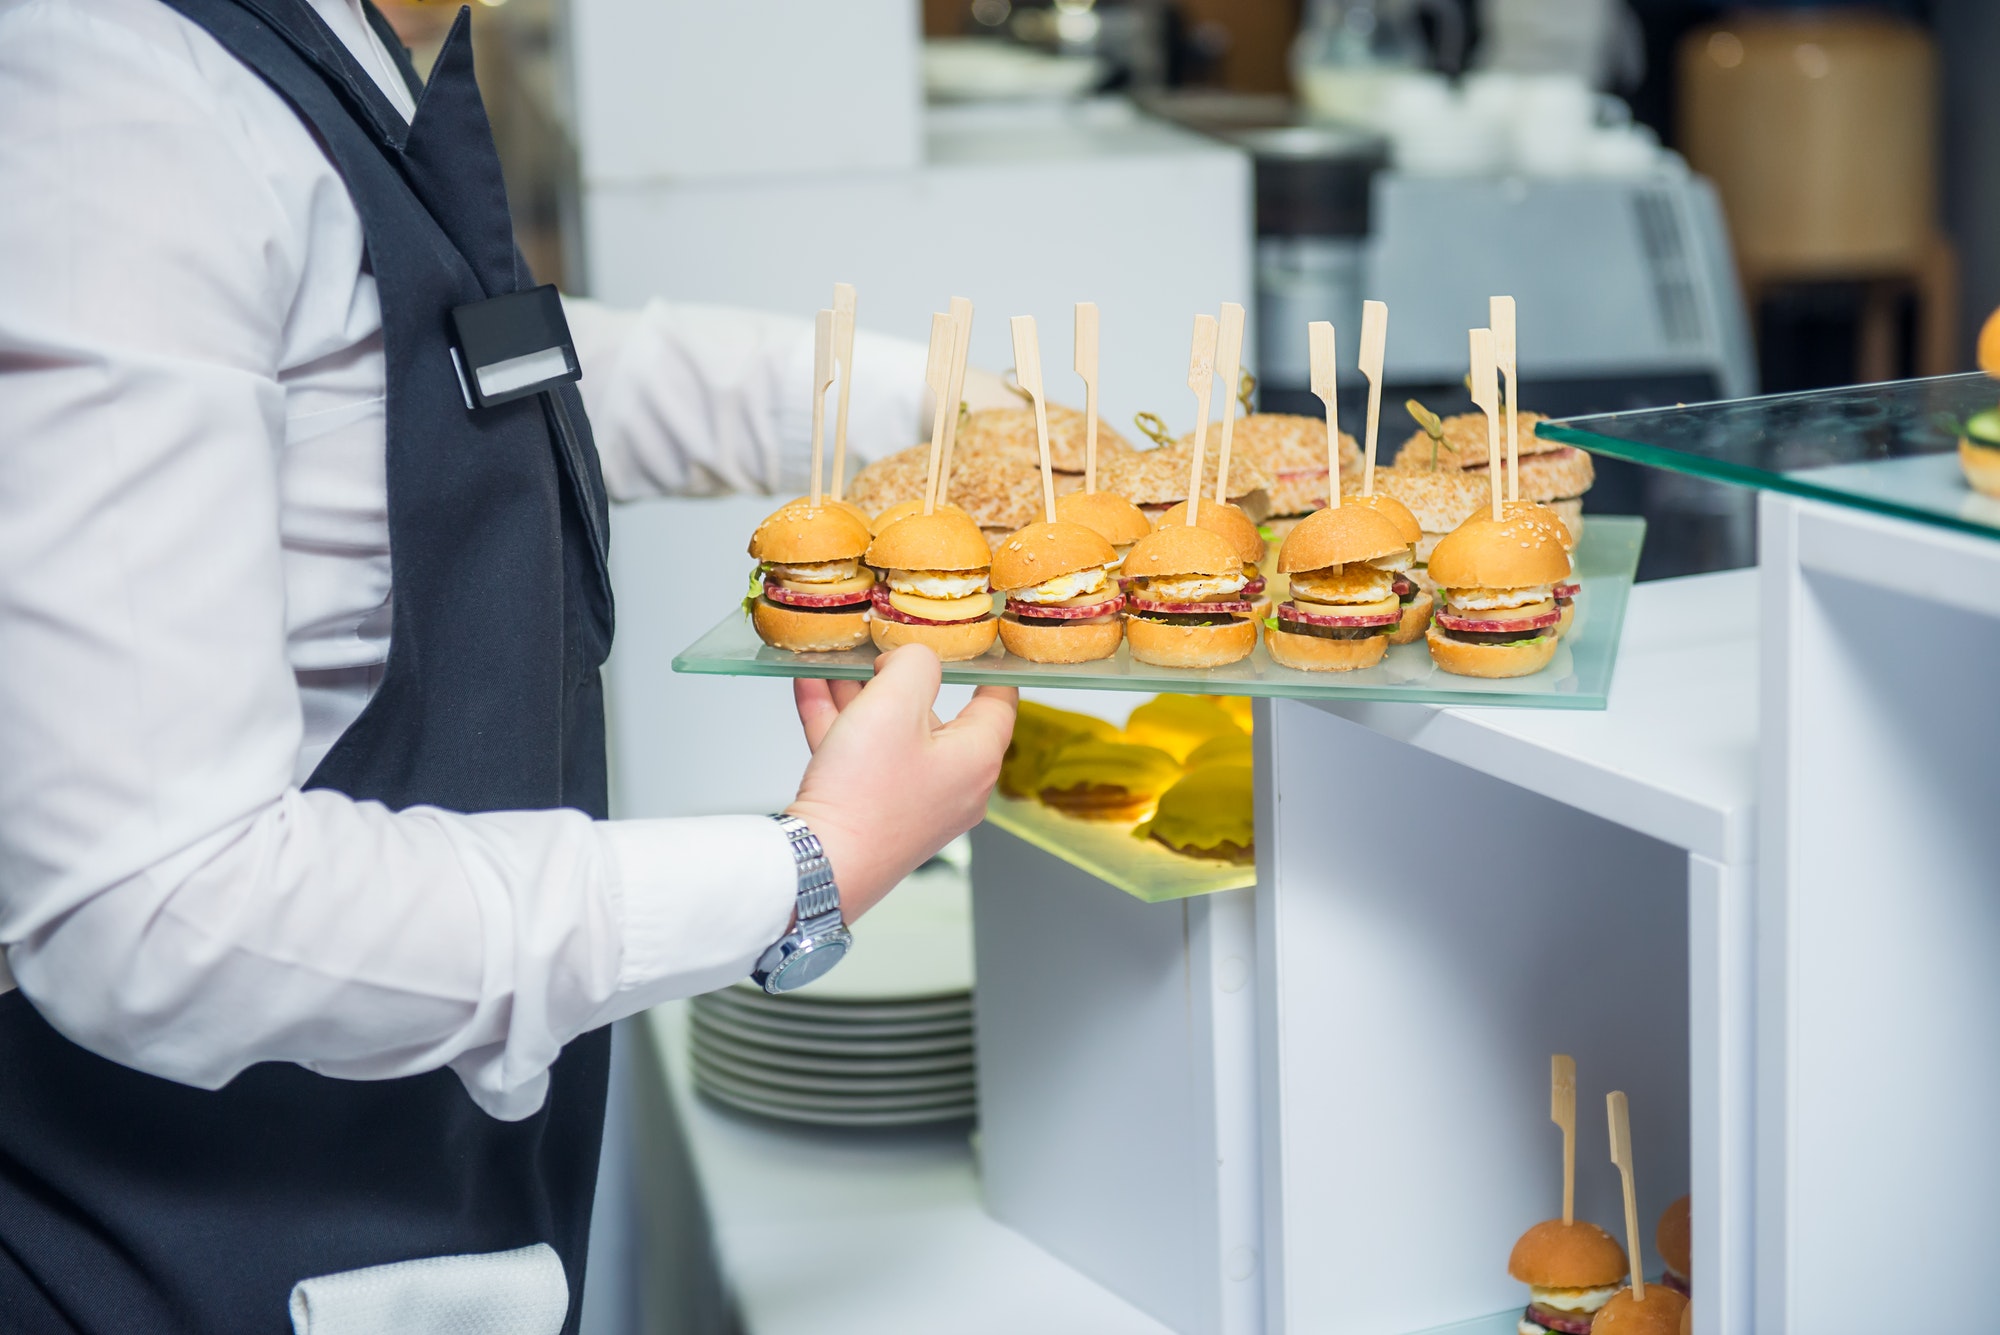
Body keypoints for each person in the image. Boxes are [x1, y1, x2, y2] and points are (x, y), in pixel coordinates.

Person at [0, 0, 1017, 1330]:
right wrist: (799, 868)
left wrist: (931, 412)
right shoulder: (120, 102)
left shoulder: (375, 56)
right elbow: (150, 908)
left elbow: (470, 376)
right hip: (195, 1235)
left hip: (415, 1187)